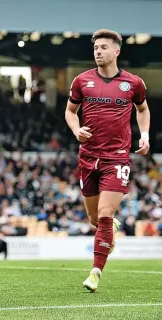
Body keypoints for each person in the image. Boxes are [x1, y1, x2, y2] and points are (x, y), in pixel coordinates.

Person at [65, 29, 150, 292]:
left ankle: (95, 272)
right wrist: (76, 130)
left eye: (103, 47)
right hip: (88, 157)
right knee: (94, 218)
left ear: (117, 51)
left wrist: (144, 134)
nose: (98, 51)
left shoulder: (133, 83)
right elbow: (70, 112)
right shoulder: (82, 81)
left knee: (104, 214)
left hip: (117, 158)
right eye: (95, 48)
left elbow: (142, 109)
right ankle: (108, 228)